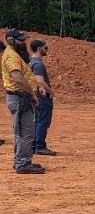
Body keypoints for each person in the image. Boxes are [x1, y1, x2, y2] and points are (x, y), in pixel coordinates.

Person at [2, 28, 43, 174]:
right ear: (11, 41)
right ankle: (22, 163)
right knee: (25, 132)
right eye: (21, 40)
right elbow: (18, 78)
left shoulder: (13, 54)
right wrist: (32, 93)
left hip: (19, 97)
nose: (24, 43)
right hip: (19, 97)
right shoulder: (12, 56)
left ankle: (21, 160)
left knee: (22, 131)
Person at [29, 39, 56, 155]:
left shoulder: (31, 61)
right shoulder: (38, 64)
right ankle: (39, 146)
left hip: (36, 95)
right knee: (43, 122)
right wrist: (51, 92)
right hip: (42, 97)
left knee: (38, 121)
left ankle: (35, 144)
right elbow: (39, 80)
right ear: (39, 48)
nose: (47, 50)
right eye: (46, 48)